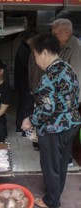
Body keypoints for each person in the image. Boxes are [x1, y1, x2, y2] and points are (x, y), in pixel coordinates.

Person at [21, 32, 81, 208]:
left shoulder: (49, 76)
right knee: (61, 163)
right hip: (72, 124)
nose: (36, 59)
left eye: (36, 55)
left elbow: (47, 109)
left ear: (45, 52)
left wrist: (30, 120)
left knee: (50, 165)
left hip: (55, 129)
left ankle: (52, 201)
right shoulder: (68, 69)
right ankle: (56, 191)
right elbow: (76, 98)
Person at [52, 18, 81, 166]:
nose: (53, 36)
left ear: (66, 32)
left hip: (69, 99)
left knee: (66, 128)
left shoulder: (75, 48)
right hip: (61, 98)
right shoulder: (63, 46)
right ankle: (63, 157)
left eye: (55, 33)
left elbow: (74, 79)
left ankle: (67, 159)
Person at [14, 31, 34, 136]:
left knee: (23, 106)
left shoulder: (23, 48)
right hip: (25, 83)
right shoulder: (24, 50)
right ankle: (24, 130)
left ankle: (19, 127)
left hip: (22, 83)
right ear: (29, 40)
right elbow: (27, 68)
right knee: (27, 107)